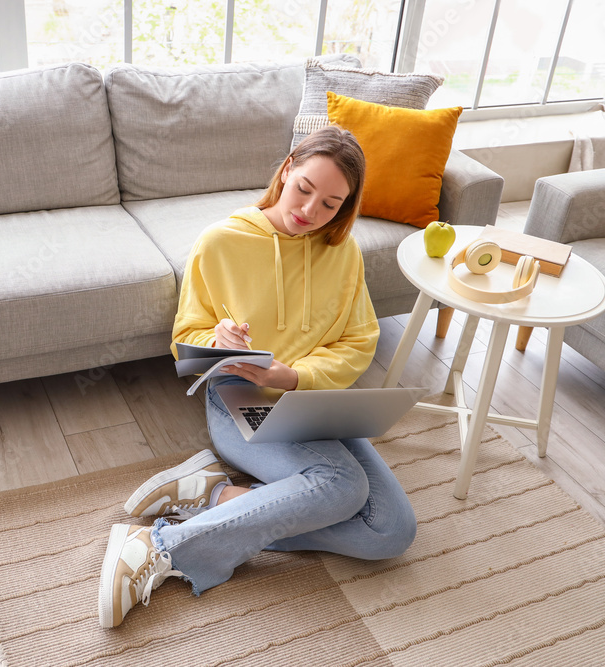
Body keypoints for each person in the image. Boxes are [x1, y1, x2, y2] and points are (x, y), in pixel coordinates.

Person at [98, 125, 417, 628]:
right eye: (304, 190)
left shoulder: (344, 252)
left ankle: (214, 498)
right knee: (342, 488)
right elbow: (186, 336)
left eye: (331, 204)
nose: (310, 212)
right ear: (287, 169)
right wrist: (217, 338)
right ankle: (158, 546)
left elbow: (359, 341)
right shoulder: (222, 242)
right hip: (240, 400)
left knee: (391, 533)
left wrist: (296, 375)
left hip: (313, 400)